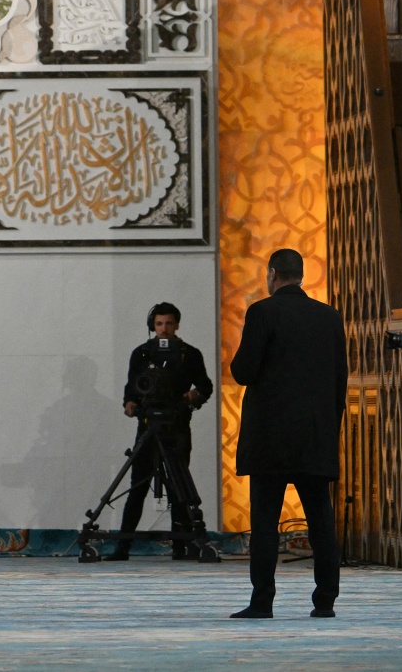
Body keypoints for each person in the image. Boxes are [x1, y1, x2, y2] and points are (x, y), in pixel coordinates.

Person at [228, 247, 346, 620]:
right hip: (315, 436)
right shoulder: (329, 317)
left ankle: (262, 601)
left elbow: (244, 371)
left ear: (273, 273)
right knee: (321, 522)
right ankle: (325, 601)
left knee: (265, 521)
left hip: (271, 438)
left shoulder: (262, 312)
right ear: (302, 275)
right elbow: (339, 379)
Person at [108, 301, 214, 561]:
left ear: (177, 325)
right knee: (137, 487)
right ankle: (123, 548)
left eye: (168, 323)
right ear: (152, 326)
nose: (163, 329)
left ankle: (181, 547)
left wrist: (192, 396)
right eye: (158, 324)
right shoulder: (142, 354)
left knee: (178, 487)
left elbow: (206, 386)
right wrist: (129, 403)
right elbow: (132, 387)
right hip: (147, 427)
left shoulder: (189, 354)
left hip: (176, 425)